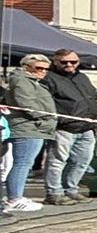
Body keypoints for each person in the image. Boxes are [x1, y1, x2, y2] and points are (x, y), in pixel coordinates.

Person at [43, 52, 97, 206]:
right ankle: (54, 193)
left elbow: (92, 96)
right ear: (55, 62)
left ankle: (70, 189)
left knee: (82, 161)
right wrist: (60, 120)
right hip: (64, 127)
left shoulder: (81, 77)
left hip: (87, 126)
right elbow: (46, 102)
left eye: (73, 62)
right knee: (57, 161)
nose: (69, 65)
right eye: (64, 62)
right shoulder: (49, 78)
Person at [3, 54, 57, 213]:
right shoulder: (22, 80)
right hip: (28, 127)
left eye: (46, 69)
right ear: (26, 67)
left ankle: (15, 196)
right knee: (23, 163)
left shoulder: (31, 81)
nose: (43, 71)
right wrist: (45, 117)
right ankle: (14, 199)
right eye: (39, 68)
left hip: (34, 127)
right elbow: (26, 103)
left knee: (24, 162)